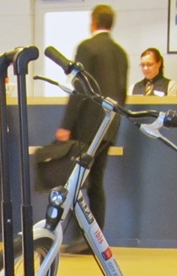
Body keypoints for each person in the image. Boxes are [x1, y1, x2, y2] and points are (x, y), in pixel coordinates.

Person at [55, 4, 128, 236]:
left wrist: (66, 125)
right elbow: (122, 92)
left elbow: (80, 89)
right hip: (109, 126)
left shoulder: (87, 48)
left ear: (93, 22)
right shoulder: (120, 53)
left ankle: (78, 235)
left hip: (86, 127)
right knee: (96, 183)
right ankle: (94, 237)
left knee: (77, 181)